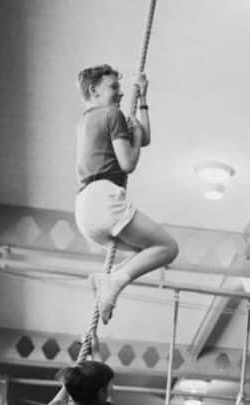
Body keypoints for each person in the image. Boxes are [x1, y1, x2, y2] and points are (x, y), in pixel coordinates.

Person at [74, 65, 178, 324]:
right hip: (103, 199)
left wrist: (142, 98)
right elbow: (129, 162)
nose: (120, 93)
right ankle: (115, 283)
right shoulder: (112, 114)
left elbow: (143, 138)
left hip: (86, 211)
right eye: (114, 87)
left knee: (144, 251)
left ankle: (106, 280)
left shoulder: (86, 120)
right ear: (94, 90)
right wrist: (137, 135)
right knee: (167, 247)